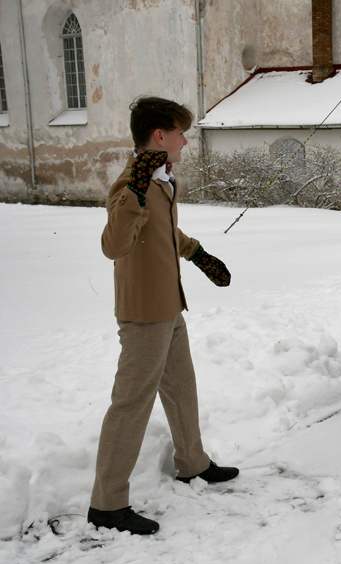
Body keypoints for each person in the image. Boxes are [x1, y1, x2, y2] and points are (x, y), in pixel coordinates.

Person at [89, 97, 239, 535]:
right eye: (180, 132)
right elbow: (113, 244)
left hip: (168, 307)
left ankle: (192, 463)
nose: (186, 140)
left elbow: (162, 230)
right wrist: (135, 187)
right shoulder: (131, 184)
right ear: (159, 136)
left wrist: (197, 254)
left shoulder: (158, 180)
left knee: (181, 387)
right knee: (131, 404)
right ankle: (107, 504)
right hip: (143, 314)